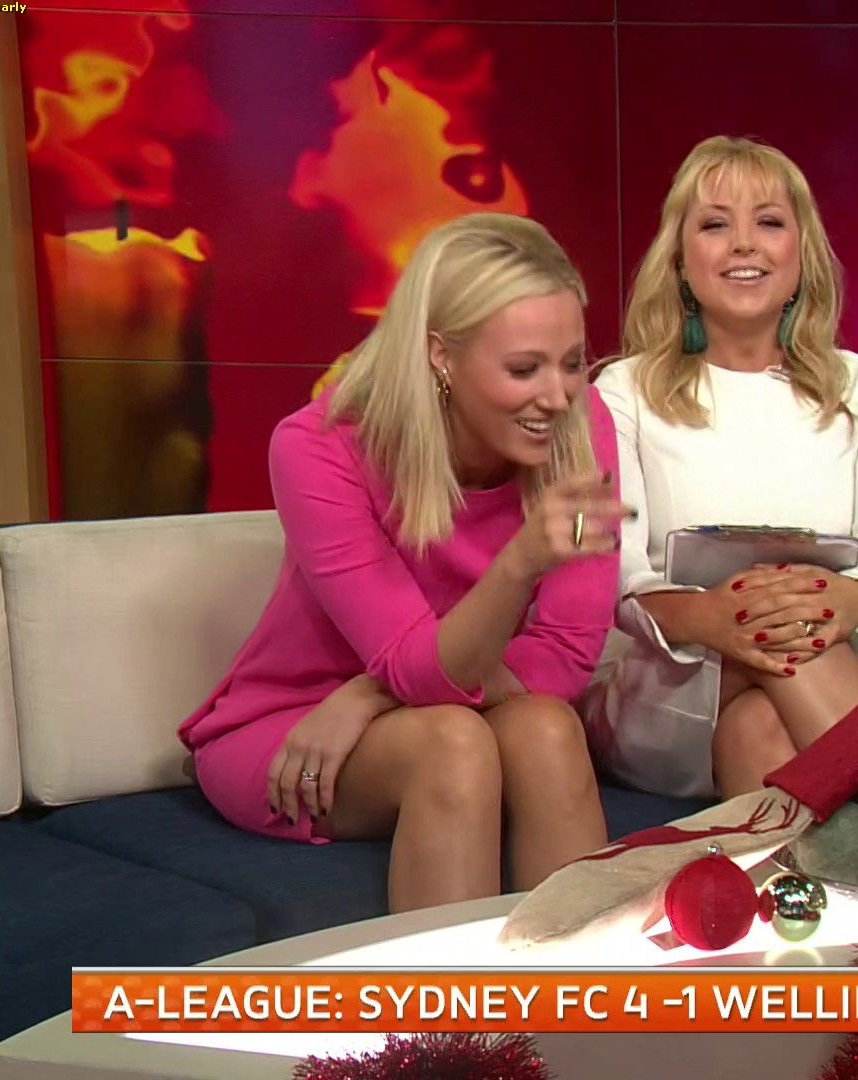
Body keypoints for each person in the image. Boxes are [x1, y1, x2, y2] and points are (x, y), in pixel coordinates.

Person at [179, 213, 626, 913]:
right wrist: (520, 562)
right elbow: (413, 662)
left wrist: (367, 695)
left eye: (572, 362)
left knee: (548, 728)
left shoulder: (581, 422)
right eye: (523, 369)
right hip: (299, 722)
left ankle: (584, 981)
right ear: (440, 355)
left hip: (417, 700)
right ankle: (445, 994)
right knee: (452, 744)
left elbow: (566, 656)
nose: (557, 395)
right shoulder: (319, 446)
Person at [582, 136, 858, 799]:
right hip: (671, 682)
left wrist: (844, 600)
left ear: (801, 254)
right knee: (777, 638)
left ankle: (806, 870)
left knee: (760, 730)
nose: (744, 244)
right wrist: (712, 617)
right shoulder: (622, 392)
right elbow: (615, 567)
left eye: (768, 222)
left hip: (825, 652)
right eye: (716, 225)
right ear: (680, 260)